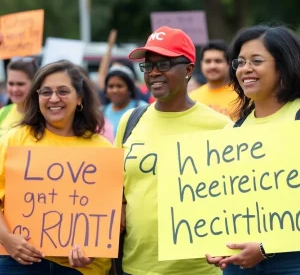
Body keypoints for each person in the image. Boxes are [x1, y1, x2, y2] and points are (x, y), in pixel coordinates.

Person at [114, 26, 231, 275]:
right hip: (136, 267)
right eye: (148, 65)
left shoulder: (221, 126)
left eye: (164, 65)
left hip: (200, 269)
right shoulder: (130, 121)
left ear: (189, 69)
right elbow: (114, 187)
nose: (154, 73)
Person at [0, 60, 112, 274]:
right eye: (46, 92)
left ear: (79, 98)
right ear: (37, 97)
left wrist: (93, 252)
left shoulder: (102, 150)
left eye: (62, 91)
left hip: (80, 268)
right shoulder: (15, 140)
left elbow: (112, 214)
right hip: (19, 262)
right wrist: (6, 238)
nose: (53, 99)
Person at [206, 25, 300, 274]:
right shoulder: (234, 131)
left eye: (256, 61)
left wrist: (267, 248)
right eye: (240, 62)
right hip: (239, 263)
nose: (245, 69)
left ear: (283, 65)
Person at [189, 40, 237, 118]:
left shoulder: (242, 96)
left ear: (228, 64)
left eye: (218, 61)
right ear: (201, 65)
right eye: (208, 61)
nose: (212, 66)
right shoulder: (191, 99)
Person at [103, 65, 148, 137]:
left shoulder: (143, 109)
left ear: (130, 89)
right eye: (111, 86)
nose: (115, 90)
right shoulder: (101, 112)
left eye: (119, 86)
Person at [0, 57, 39, 136]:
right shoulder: (3, 113)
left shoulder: (44, 116)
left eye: (20, 84)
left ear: (35, 84)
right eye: (11, 83)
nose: (14, 89)